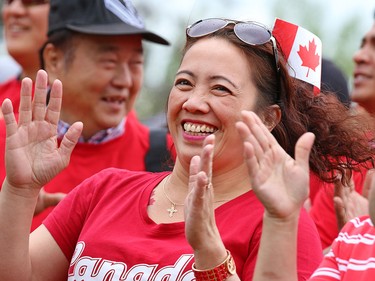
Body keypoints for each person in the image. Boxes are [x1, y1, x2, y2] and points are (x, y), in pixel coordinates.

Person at [1, 16, 374, 281]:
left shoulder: (278, 223)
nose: (194, 102)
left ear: (268, 118)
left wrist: (212, 256)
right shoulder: (103, 191)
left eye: (220, 89)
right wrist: (19, 190)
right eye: (184, 82)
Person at [0, 0, 173, 231]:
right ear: (54, 60)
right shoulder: (10, 142)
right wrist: (14, 203)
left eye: (135, 63)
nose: (125, 81)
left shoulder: (168, 159)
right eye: (108, 62)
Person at [307, 17, 375, 251]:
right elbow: (312, 266)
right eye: (363, 44)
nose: (359, 56)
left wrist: (363, 237)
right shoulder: (351, 161)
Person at [0, 0, 49, 117]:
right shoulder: (3, 91)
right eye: (9, 1)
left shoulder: (78, 101)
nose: (13, 10)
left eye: (32, 1)